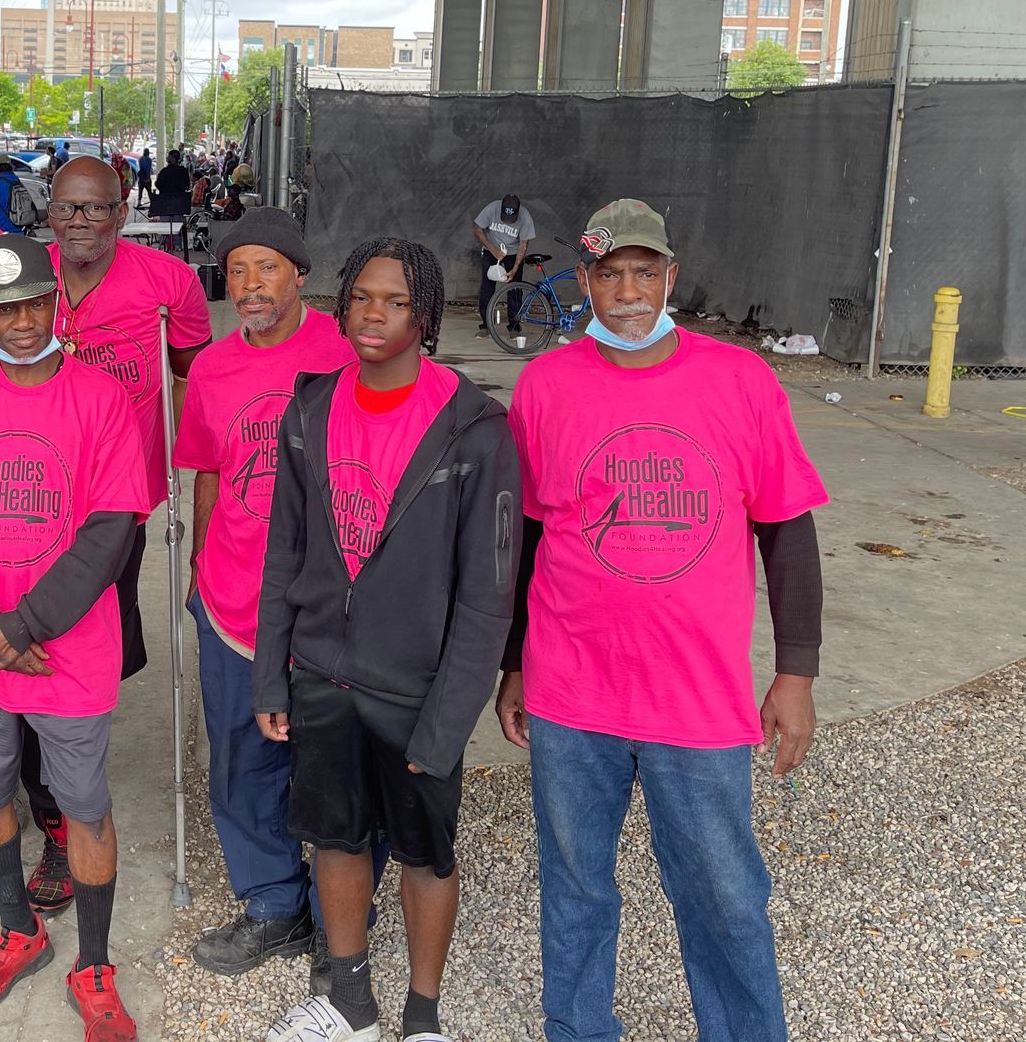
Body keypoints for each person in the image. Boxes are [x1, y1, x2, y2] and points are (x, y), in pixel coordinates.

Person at [497, 199, 828, 1042]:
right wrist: (514, 665)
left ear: (671, 278)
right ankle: (577, 1029)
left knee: (723, 892)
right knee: (575, 887)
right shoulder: (545, 386)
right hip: (573, 694)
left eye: (646, 273)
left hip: (697, 699)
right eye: (611, 275)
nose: (630, 292)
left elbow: (787, 528)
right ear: (588, 283)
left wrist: (795, 674)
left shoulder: (741, 381)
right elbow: (528, 540)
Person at [255, 237, 517, 1042]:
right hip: (324, 676)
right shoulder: (310, 410)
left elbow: (489, 593)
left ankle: (424, 1015)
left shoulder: (473, 427)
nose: (374, 314)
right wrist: (273, 674)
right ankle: (350, 1000)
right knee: (335, 837)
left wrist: (450, 718)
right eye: (362, 297)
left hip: (416, 690)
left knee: (426, 854)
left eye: (396, 302)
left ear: (427, 316)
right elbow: (284, 552)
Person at [0, 233, 149, 1041]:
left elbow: (111, 528)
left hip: (69, 649)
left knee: (84, 807)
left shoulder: (101, 400)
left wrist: (25, 625)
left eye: (33, 304)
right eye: (1, 309)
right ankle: (21, 932)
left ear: (56, 302)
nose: (19, 322)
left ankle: (93, 963)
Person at [175, 208, 384, 991]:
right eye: (237, 272)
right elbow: (204, 466)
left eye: (267, 268)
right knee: (240, 760)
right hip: (234, 602)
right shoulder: (214, 368)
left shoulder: (347, 351)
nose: (251, 285)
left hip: (332, 609)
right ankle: (273, 902)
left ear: (300, 274)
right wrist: (199, 561)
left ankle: (345, 921)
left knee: (338, 764)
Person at [32, 156, 211, 912]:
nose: (81, 224)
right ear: (50, 211)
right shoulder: (20, 271)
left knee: (86, 651)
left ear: (123, 207)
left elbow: (194, 376)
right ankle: (51, 815)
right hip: (27, 500)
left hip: (115, 501)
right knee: (29, 649)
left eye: (97, 210)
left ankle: (69, 799)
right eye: (68, 210)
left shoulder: (169, 283)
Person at [472, 193, 536, 335]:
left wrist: (514, 268)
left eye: (511, 219)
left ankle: (514, 326)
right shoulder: (492, 208)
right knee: (487, 289)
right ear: (501, 208)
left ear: (518, 212)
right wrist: (492, 249)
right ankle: (486, 325)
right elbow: (477, 228)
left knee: (514, 288)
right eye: (505, 217)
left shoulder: (525, 217)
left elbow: (523, 245)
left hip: (512, 254)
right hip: (491, 250)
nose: (507, 221)